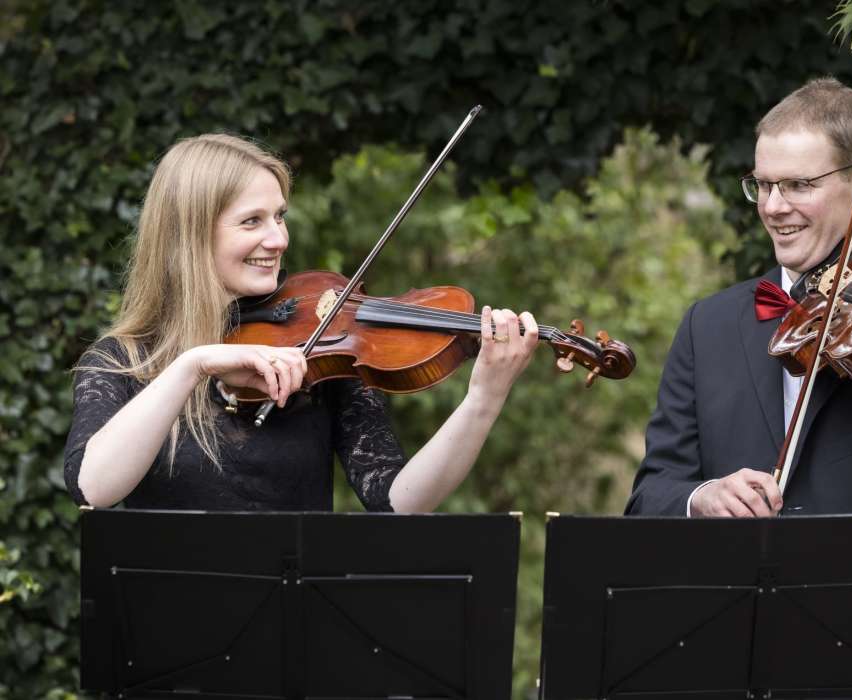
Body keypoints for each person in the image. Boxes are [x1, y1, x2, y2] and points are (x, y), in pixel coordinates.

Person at [64, 133, 539, 512]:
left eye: (279, 216)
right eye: (252, 221)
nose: (278, 239)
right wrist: (194, 364)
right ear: (189, 236)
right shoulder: (122, 362)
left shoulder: (318, 354)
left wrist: (484, 398)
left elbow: (399, 503)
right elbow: (95, 488)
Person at [625, 78, 852, 517]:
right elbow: (650, 497)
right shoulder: (706, 326)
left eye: (798, 185)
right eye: (763, 185)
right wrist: (701, 498)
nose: (772, 207)